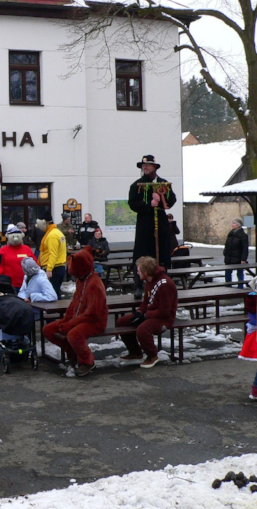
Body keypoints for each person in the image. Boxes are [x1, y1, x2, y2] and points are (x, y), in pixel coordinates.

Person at [41, 246, 108, 377]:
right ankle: (72, 352)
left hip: (96, 321)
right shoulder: (81, 280)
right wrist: (67, 319)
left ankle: (87, 361)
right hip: (80, 319)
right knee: (48, 330)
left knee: (74, 334)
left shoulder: (94, 284)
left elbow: (93, 313)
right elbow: (75, 303)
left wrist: (71, 324)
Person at [115, 256, 178, 369]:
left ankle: (152, 356)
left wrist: (145, 315)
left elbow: (165, 312)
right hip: (151, 314)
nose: (137, 272)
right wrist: (139, 312)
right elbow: (146, 301)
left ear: (146, 271)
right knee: (122, 322)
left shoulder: (165, 284)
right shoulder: (149, 281)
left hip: (164, 319)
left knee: (143, 329)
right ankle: (135, 352)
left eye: (139, 270)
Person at [128, 155, 177, 298]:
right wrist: (148, 205)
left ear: (155, 167)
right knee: (142, 252)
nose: (145, 167)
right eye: (143, 165)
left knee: (161, 252)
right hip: (144, 222)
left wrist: (161, 201)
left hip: (160, 222)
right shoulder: (136, 185)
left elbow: (171, 200)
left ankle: (162, 282)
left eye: (148, 165)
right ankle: (139, 284)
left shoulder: (163, 183)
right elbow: (132, 203)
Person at [36, 210, 67, 299]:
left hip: (54, 268)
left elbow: (53, 253)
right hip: (58, 267)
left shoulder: (52, 235)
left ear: (45, 222)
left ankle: (57, 311)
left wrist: (49, 270)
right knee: (55, 291)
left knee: (52, 293)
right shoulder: (57, 232)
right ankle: (59, 311)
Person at [0, 224, 37, 293]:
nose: (15, 239)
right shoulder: (3, 250)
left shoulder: (27, 249)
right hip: (9, 285)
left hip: (26, 284)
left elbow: (34, 263)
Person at [223, 217, 249, 289]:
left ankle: (240, 287)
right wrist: (225, 253)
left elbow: (245, 248)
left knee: (239, 272)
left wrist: (243, 259)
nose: (232, 224)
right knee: (228, 272)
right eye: (232, 223)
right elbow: (227, 245)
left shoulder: (243, 236)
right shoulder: (230, 234)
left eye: (234, 223)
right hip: (229, 257)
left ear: (238, 225)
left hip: (238, 257)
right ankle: (228, 286)